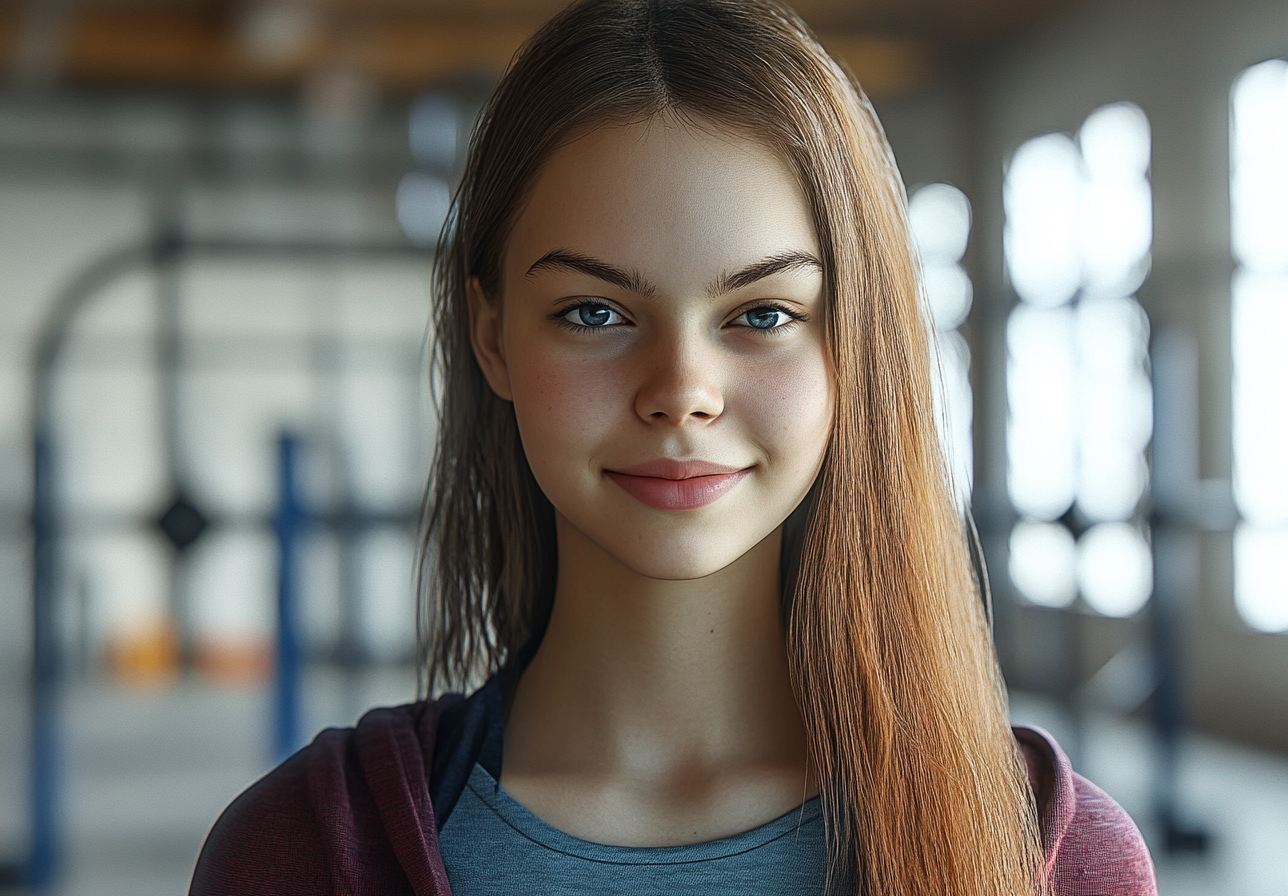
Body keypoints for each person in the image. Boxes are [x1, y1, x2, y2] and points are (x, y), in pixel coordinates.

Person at [191, 1, 1159, 893]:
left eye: (764, 312)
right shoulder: (303, 850)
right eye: (595, 310)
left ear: (855, 341)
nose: (682, 391)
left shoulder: (1052, 858)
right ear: (491, 336)